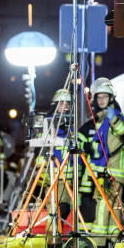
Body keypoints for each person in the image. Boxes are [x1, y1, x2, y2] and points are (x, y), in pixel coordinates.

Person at [81, 78, 124, 247]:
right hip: (108, 171)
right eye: (99, 97)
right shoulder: (102, 119)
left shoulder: (115, 116)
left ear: (111, 98)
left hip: (113, 171)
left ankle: (99, 243)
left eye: (105, 97)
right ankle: (111, 243)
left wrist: (115, 120)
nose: (101, 100)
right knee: (112, 208)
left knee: (102, 206)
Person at [36, 89, 85, 225]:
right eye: (62, 103)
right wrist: (44, 175)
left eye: (68, 104)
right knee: (56, 210)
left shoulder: (73, 131)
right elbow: (40, 155)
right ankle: (53, 242)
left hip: (72, 180)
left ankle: (58, 239)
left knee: (64, 211)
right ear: (55, 106)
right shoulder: (48, 130)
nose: (66, 107)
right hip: (55, 178)